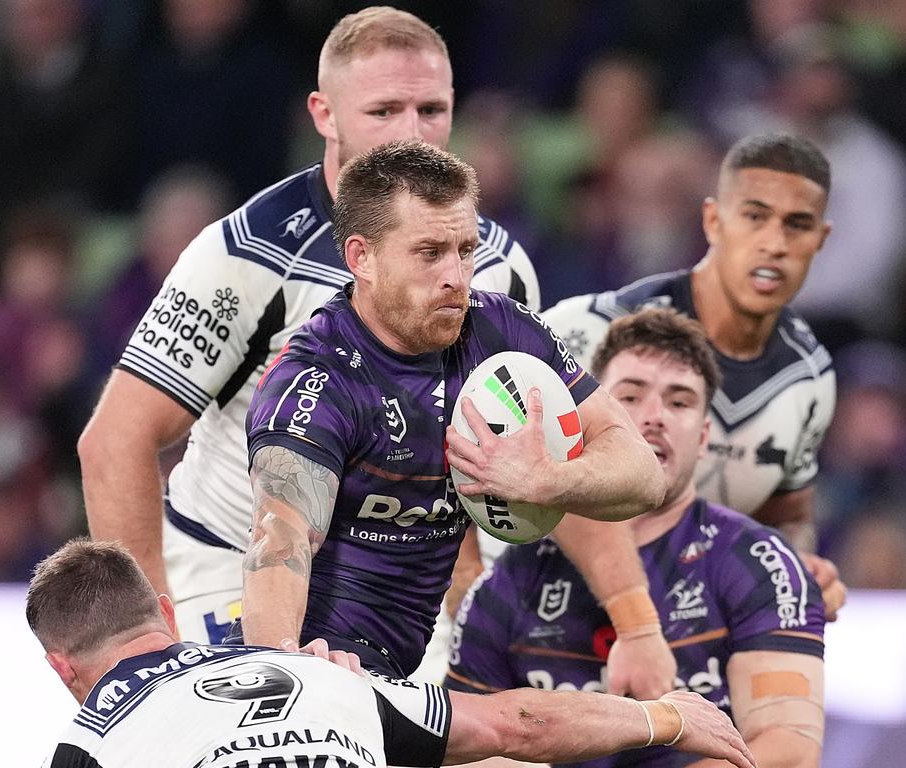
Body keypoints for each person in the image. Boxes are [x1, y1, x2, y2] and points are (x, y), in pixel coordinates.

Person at [78, 6, 538, 644]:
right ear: (324, 114)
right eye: (384, 111)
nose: (413, 134)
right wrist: (143, 640)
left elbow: (470, 459)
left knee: (502, 745)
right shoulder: (246, 256)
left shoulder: (499, 267)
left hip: (395, 579)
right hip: (228, 567)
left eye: (431, 110)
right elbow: (114, 442)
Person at [236, 139, 669, 685]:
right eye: (428, 252)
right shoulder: (318, 380)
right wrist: (288, 674)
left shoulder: (503, 332)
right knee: (526, 731)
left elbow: (644, 475)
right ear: (360, 257)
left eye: (466, 250)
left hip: (408, 668)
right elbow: (279, 542)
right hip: (327, 664)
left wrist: (552, 479)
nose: (456, 277)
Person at [448, 308, 826, 768]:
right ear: (592, 420)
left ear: (705, 435)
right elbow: (464, 752)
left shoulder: (759, 562)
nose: (653, 418)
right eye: (630, 397)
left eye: (680, 402)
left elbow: (789, 749)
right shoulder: (512, 577)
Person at [27, 538, 756, 768]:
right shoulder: (314, 673)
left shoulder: (91, 744)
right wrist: (665, 719)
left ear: (62, 667)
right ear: (164, 611)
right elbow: (519, 724)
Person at [543, 133, 846, 619]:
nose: (775, 244)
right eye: (754, 216)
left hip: (683, 658)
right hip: (537, 632)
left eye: (798, 225)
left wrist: (799, 562)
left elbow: (787, 516)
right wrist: (469, 582)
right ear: (713, 220)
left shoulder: (809, 379)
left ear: (821, 239)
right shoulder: (583, 330)